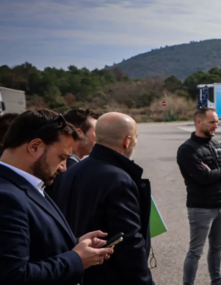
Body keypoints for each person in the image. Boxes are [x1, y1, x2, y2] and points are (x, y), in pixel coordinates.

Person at [0, 109, 115, 284]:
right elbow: (12, 276)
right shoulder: (3, 198)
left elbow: (34, 244)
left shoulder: (27, 184)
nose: (64, 167)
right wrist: (76, 259)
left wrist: (75, 243)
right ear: (35, 147)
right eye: (61, 157)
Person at [52, 112, 154, 285]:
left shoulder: (71, 170)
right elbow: (129, 243)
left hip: (75, 270)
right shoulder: (119, 180)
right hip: (110, 275)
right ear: (127, 141)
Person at [177, 107, 221, 285]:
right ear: (199, 122)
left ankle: (216, 280)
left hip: (220, 205)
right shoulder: (187, 150)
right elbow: (204, 177)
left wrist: (219, 171)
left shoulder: (218, 145)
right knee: (196, 251)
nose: (216, 126)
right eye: (212, 122)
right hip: (200, 208)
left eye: (217, 122)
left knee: (217, 247)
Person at [46, 108, 99, 199]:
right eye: (97, 132)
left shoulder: (64, 165)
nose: (99, 138)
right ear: (79, 133)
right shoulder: (69, 169)